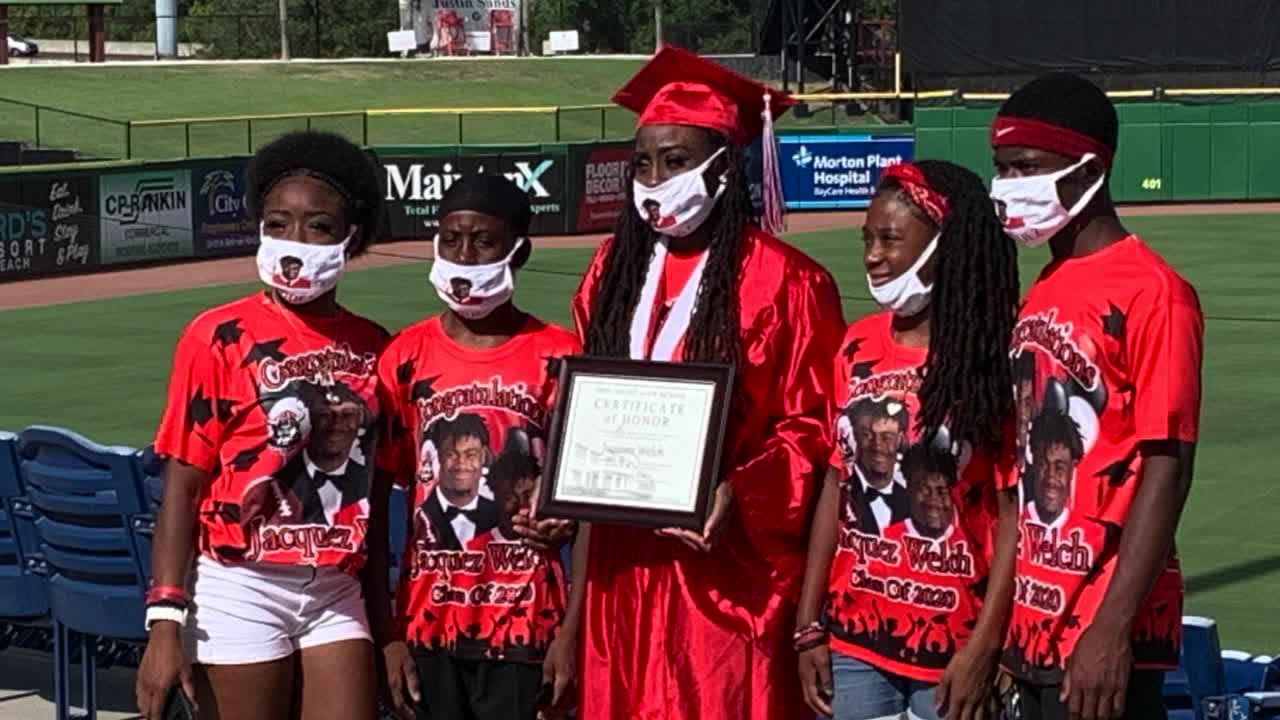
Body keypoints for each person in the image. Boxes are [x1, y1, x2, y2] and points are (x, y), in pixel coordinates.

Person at [569, 46, 847, 719]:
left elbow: (812, 426)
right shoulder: (612, 270)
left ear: (724, 166)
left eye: (675, 160)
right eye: (642, 163)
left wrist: (740, 490)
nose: (654, 178)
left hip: (728, 568)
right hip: (623, 563)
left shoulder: (789, 281)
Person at [135, 130, 389, 720]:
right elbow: (183, 483)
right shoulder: (217, 335)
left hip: (334, 586)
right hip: (240, 583)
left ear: (352, 239)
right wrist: (166, 620)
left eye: (318, 226)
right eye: (278, 223)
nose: (295, 241)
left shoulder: (377, 347)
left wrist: (386, 620)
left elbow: (374, 492)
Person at [990, 73, 1204, 720]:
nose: (1008, 187)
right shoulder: (1049, 284)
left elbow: (1167, 463)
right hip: (1037, 619)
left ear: (1089, 171)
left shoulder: (1155, 291)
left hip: (1105, 629)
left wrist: (1111, 631)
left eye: (1026, 166)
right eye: (1000, 168)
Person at [795, 160, 1022, 720]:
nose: (872, 255)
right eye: (867, 238)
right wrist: (808, 623)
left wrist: (987, 645)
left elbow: (1013, 509)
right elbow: (835, 483)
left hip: (955, 645)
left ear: (945, 245)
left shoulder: (995, 358)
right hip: (854, 638)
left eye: (891, 239)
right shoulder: (856, 343)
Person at [375, 173, 581, 720]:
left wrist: (572, 633)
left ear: (519, 251)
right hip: (427, 626)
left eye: (484, 242)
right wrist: (388, 634)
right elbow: (374, 503)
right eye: (450, 239)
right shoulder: (404, 356)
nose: (464, 257)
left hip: (527, 624)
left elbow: (591, 515)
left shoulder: (560, 355)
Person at [412, 413, 499, 551]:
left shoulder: (499, 515)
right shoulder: (421, 516)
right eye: (451, 454)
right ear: (439, 456)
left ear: (483, 456)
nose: (461, 464)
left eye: (471, 454)